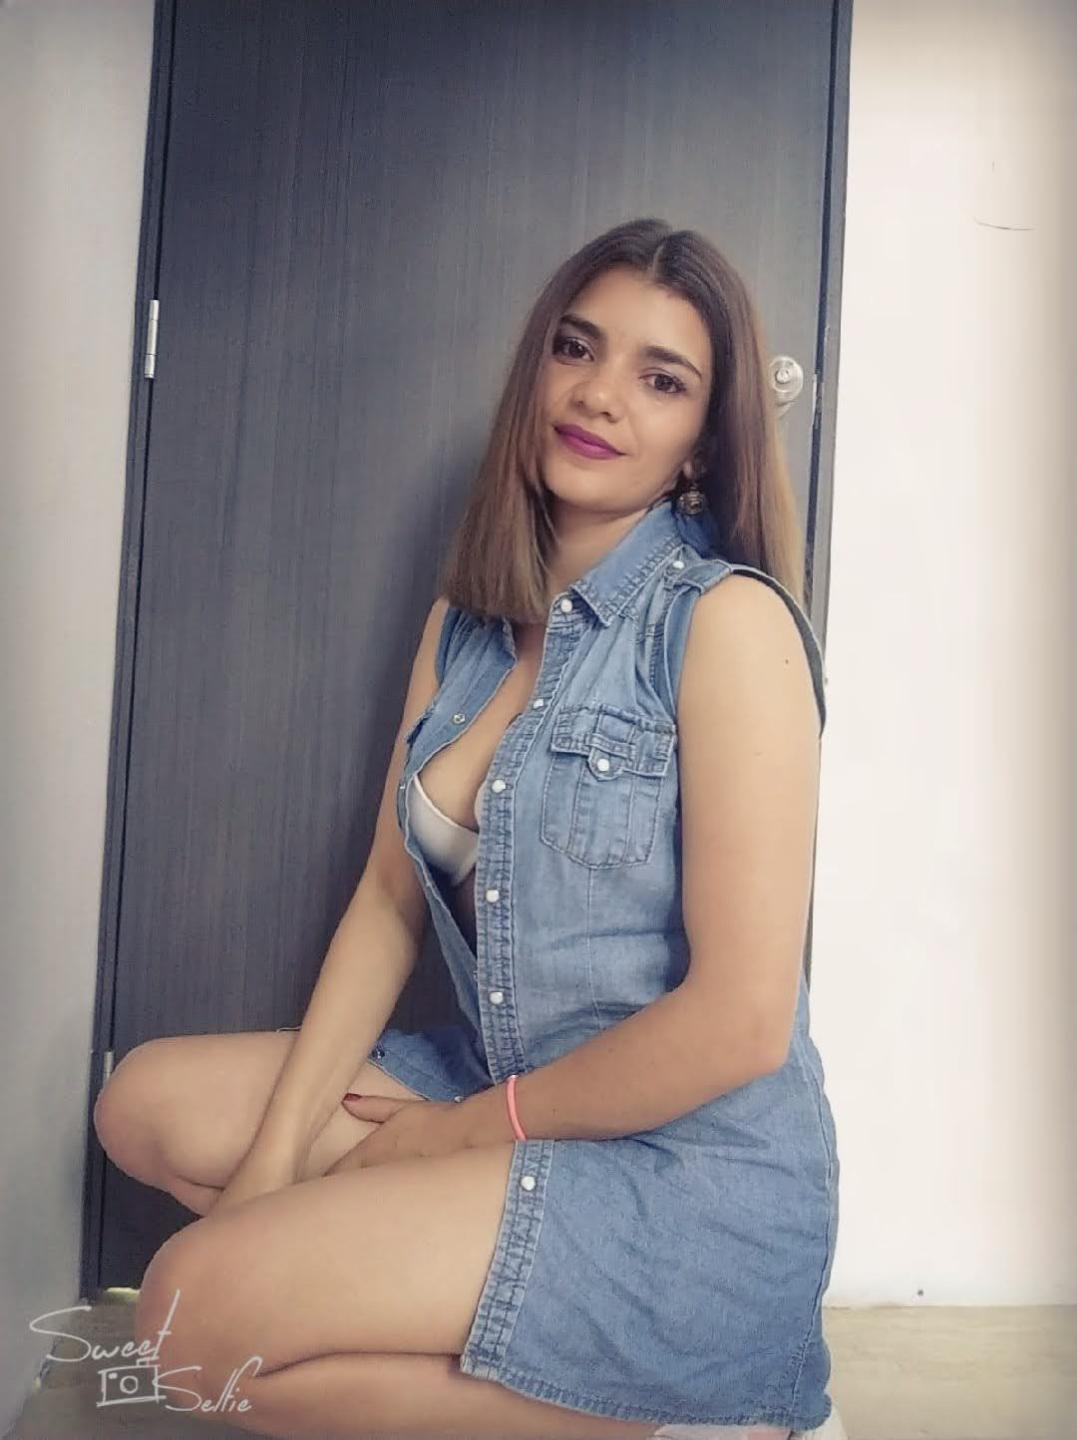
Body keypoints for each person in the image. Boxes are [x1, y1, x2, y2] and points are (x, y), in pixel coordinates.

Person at [94, 217, 846, 1440]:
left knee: (185, 1325)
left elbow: (743, 1020)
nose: (600, 394)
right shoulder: (467, 623)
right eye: (577, 348)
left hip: (687, 1173)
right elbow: (389, 899)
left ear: (705, 442)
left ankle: (700, 1416)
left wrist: (455, 1138)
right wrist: (272, 1171)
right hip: (508, 1077)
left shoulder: (726, 626)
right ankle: (502, 1325)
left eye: (661, 379)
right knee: (143, 1105)